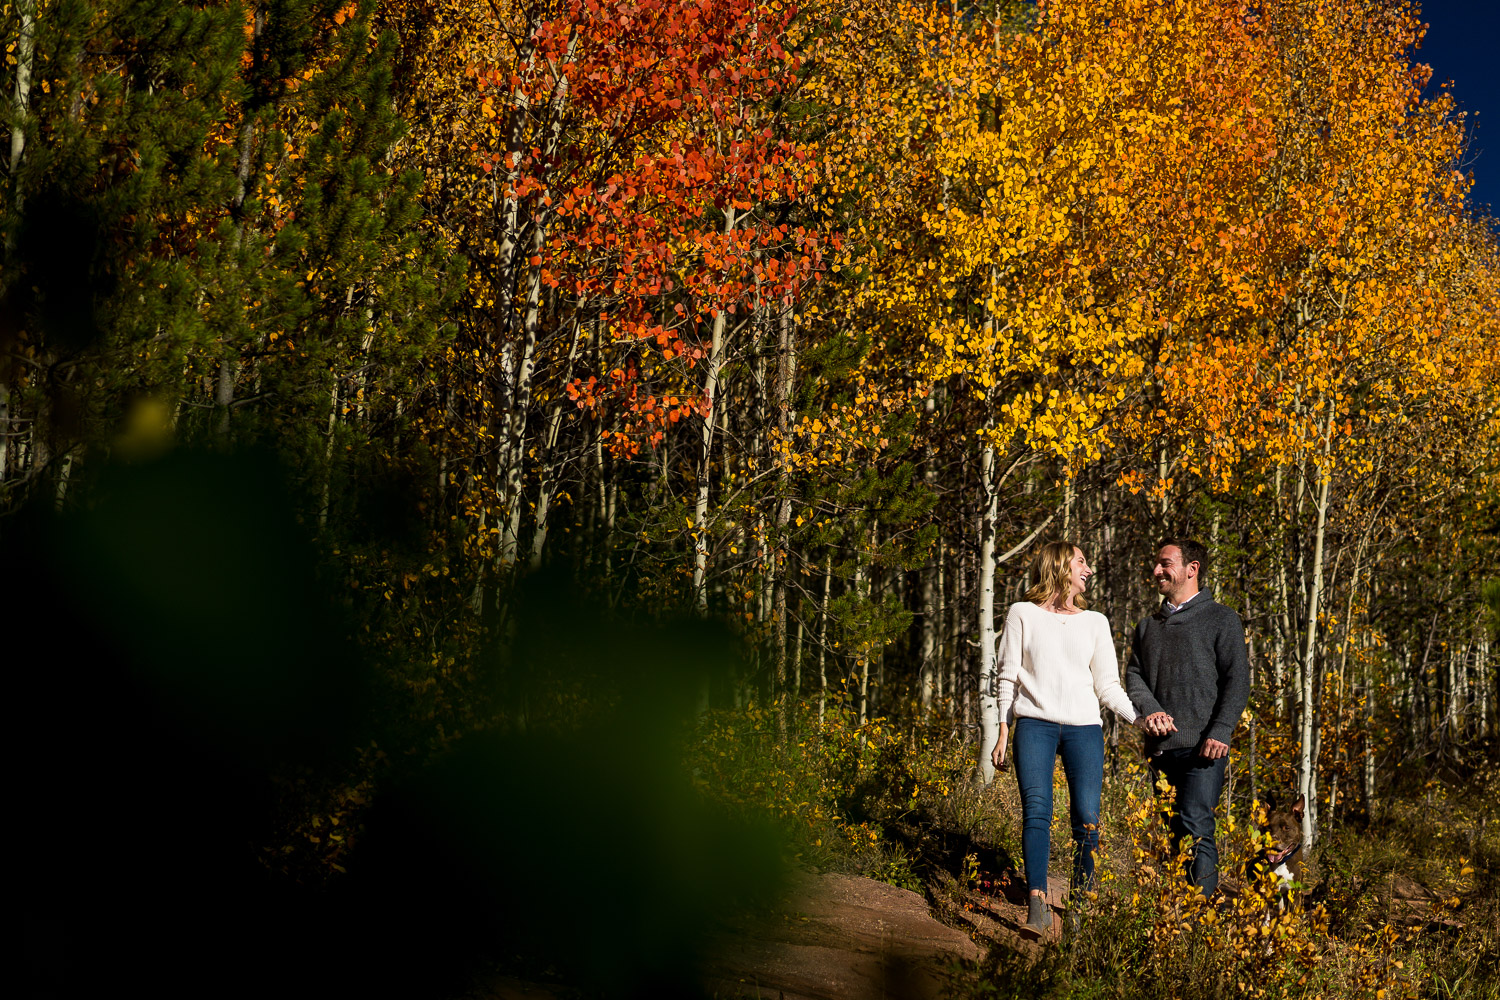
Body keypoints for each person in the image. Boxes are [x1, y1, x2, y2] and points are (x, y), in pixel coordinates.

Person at [990, 540, 1148, 933]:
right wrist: (1002, 732)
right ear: (1060, 566)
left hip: (1084, 729)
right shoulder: (1021, 614)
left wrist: (1138, 719)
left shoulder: (1095, 622)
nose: (1088, 570)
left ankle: (1077, 906)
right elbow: (1006, 675)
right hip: (1034, 725)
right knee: (1037, 810)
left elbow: (1108, 685)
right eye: (1082, 562)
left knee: (1087, 818)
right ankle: (1037, 903)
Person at [1125, 538, 1251, 898]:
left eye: (1165, 563)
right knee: (1171, 834)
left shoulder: (1222, 619)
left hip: (1205, 748)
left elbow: (1238, 679)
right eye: (1157, 564)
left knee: (1197, 828)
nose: (1157, 571)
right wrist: (1151, 709)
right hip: (1162, 749)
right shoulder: (1149, 626)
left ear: (1191, 569)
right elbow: (1134, 676)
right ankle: (1173, 924)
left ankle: (1200, 922)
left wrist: (1222, 730)